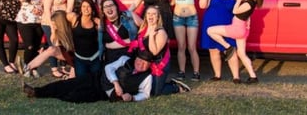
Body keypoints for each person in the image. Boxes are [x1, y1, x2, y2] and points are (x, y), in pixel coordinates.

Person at [22, 49, 190, 103]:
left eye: (144, 63)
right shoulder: (125, 59)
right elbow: (109, 68)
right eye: (139, 60)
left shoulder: (146, 78)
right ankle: (37, 92)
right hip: (97, 79)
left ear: (149, 65)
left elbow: (144, 94)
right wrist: (116, 83)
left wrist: (131, 97)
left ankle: (56, 96)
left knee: (74, 97)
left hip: (104, 94)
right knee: (69, 84)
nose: (140, 64)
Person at [207, 0, 266, 84]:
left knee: (210, 30)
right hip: (242, 29)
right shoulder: (251, 1)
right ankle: (253, 76)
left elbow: (235, 11)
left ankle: (228, 47)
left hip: (236, 29)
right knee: (241, 54)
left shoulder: (250, 2)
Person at [199, 0, 241, 84]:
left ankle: (236, 77)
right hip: (210, 26)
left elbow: (241, 11)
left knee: (231, 50)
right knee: (213, 51)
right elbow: (202, 5)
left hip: (227, 28)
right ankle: (217, 75)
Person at [170, 0, 203, 81]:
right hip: (178, 17)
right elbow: (173, 2)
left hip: (192, 18)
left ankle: (196, 72)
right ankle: (181, 71)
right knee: (181, 46)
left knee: (192, 47)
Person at [137, 5, 177, 96]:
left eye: (154, 14)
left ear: (158, 17)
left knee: (155, 92)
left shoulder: (161, 32)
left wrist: (151, 36)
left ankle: (175, 86)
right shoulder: (143, 29)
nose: (151, 16)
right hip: (146, 63)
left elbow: (154, 52)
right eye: (148, 14)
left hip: (159, 64)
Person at [24, 10, 76, 78]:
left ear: (60, 23)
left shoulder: (72, 27)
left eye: (54, 24)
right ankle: (28, 67)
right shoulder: (57, 32)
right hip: (70, 56)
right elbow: (55, 44)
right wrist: (53, 31)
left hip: (78, 58)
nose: (53, 26)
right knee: (51, 49)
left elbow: (74, 15)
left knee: (72, 81)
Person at [16, 0, 45, 78]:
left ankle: (34, 68)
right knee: (29, 46)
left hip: (38, 22)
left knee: (37, 47)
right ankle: (27, 67)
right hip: (25, 22)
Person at [41, 0, 68, 78]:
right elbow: (47, 9)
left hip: (61, 21)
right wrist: (52, 25)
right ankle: (54, 69)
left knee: (61, 44)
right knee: (53, 45)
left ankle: (62, 67)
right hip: (50, 22)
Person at [99, 0, 141, 65]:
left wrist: (137, 41)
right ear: (103, 11)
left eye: (111, 5)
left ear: (116, 7)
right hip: (110, 58)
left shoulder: (129, 15)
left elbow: (145, 28)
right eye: (105, 7)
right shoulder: (101, 24)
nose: (109, 8)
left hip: (128, 56)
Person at [68, 0, 102, 78]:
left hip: (94, 58)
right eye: (83, 6)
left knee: (95, 80)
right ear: (80, 8)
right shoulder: (74, 18)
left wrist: (100, 24)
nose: (86, 9)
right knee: (81, 82)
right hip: (80, 59)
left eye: (88, 6)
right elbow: (60, 17)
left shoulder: (96, 22)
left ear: (92, 9)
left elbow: (102, 38)